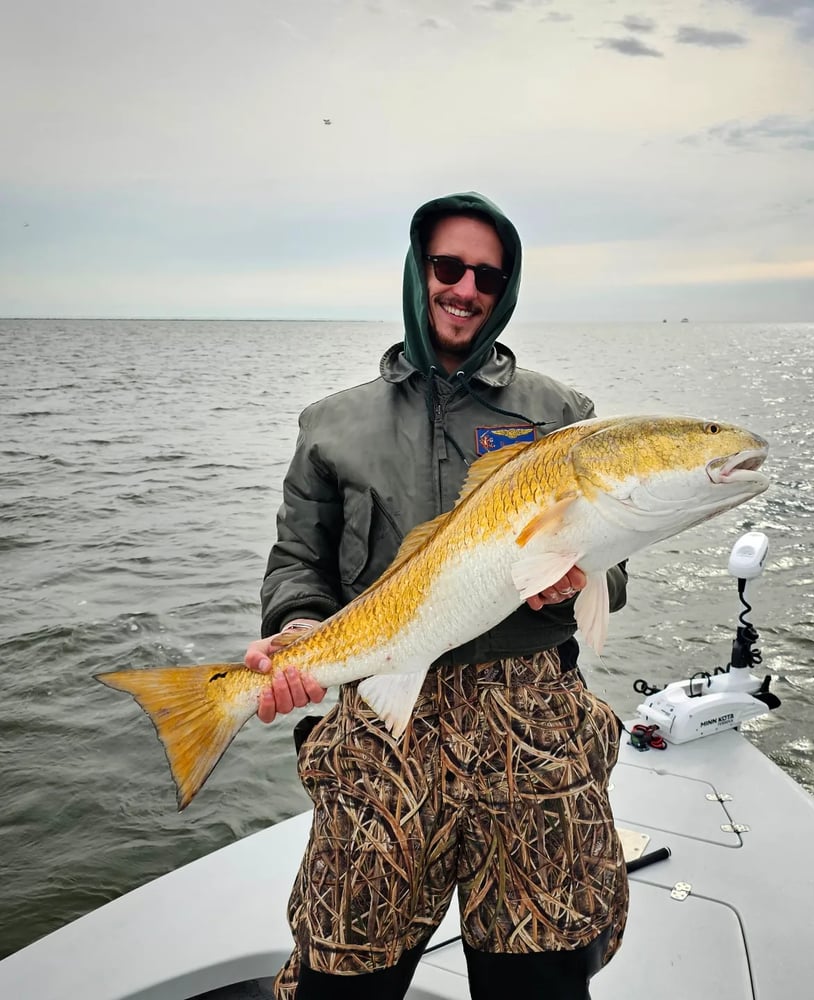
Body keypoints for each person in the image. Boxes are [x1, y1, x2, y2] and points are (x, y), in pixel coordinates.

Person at [244, 191, 629, 1000]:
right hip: (384, 722)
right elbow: (297, 563)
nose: (466, 289)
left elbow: (613, 568)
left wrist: (576, 579)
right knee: (344, 976)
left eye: (487, 275)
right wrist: (298, 631)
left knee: (544, 981)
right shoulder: (333, 426)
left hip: (535, 727)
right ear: (420, 272)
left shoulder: (562, 418)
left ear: (506, 289)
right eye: (449, 267)